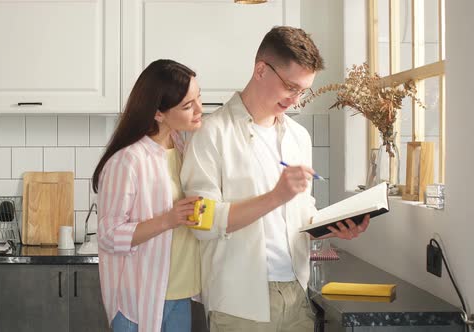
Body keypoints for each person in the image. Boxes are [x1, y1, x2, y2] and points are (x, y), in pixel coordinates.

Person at [180, 26, 370, 332]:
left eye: (303, 91)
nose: (295, 99)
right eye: (290, 87)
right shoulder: (210, 133)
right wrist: (275, 196)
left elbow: (300, 217)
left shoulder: (298, 137)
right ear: (260, 70)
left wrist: (332, 228)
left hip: (296, 297)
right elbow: (201, 222)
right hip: (239, 305)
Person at [92, 59, 204, 332]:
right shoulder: (128, 160)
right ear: (158, 113)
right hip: (140, 298)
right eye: (187, 106)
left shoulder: (179, 145)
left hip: (180, 292)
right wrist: (169, 219)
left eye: (198, 98)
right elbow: (108, 236)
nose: (199, 109)